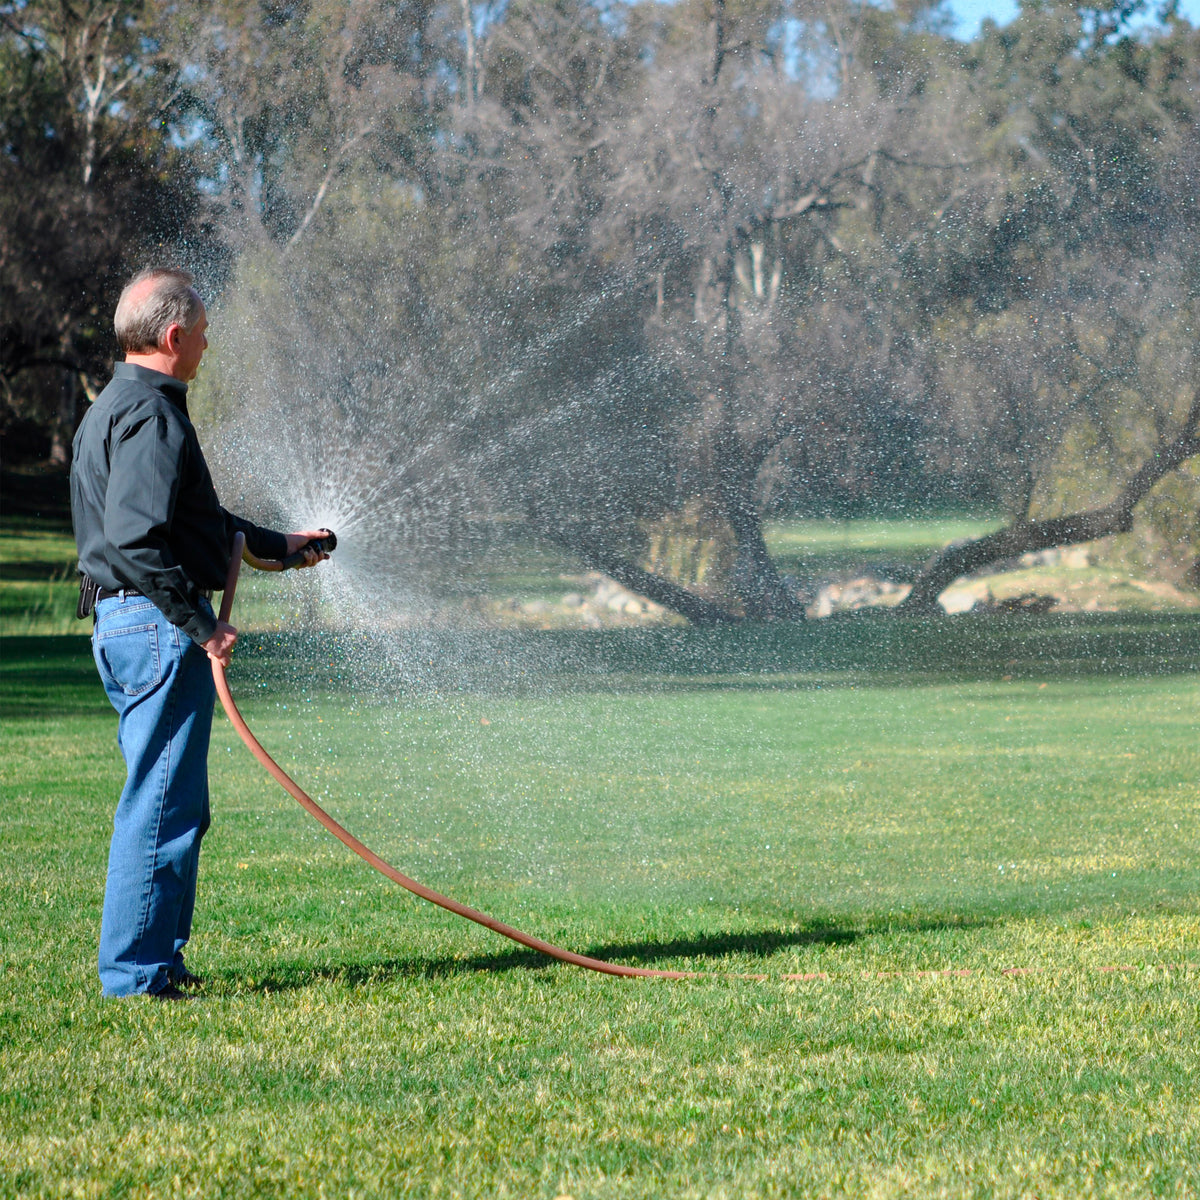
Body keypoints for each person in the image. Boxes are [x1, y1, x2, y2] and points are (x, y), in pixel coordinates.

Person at [70, 266, 330, 1001]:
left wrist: (279, 544)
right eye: (205, 336)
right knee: (162, 801)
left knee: (170, 799)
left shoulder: (112, 408)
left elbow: (187, 525)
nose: (208, 348)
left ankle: (155, 962)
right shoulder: (156, 415)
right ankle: (137, 976)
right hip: (154, 626)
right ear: (174, 336)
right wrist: (200, 624)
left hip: (123, 624)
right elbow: (136, 538)